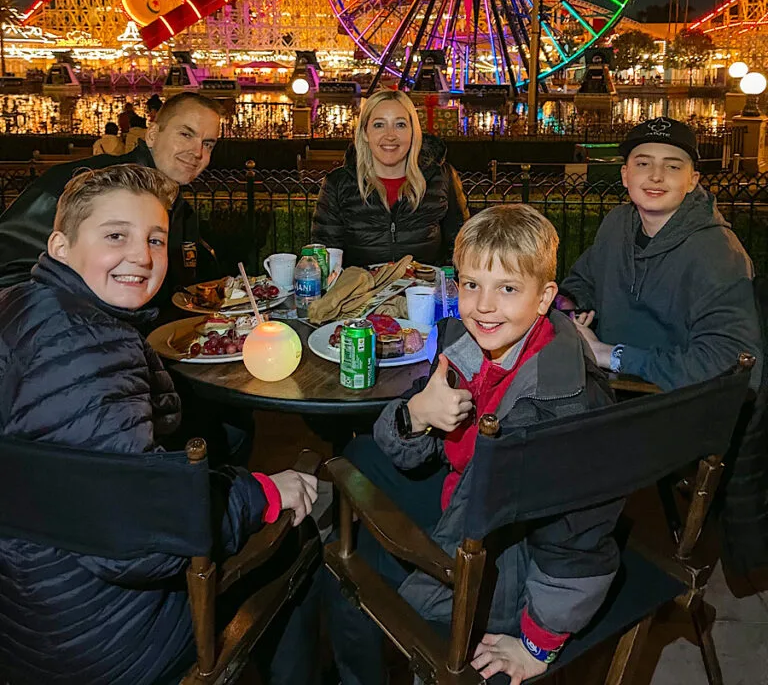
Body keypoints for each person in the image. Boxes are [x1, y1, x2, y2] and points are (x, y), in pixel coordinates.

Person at [0, 165, 318, 685]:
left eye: (156, 239)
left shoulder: (22, 308)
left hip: (24, 612)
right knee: (297, 540)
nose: (142, 256)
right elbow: (143, 543)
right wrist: (259, 493)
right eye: (115, 236)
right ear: (59, 245)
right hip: (101, 642)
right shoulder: (91, 349)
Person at [326, 205, 621, 684]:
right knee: (357, 461)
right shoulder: (470, 340)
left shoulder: (560, 402)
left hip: (504, 559)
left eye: (507, 288)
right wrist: (419, 414)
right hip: (467, 498)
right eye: (470, 285)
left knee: (349, 573)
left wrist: (536, 645)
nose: (484, 305)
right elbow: (397, 437)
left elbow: (579, 534)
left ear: (545, 297)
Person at [559, 117, 762, 391]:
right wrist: (569, 309)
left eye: (672, 166)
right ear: (625, 175)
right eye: (643, 164)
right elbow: (584, 280)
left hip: (673, 408)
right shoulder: (618, 224)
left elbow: (732, 362)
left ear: (692, 180)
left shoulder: (717, 253)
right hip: (606, 392)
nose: (656, 175)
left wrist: (611, 355)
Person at [0, 91, 222, 300]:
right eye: (185, 134)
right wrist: (77, 320)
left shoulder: (176, 206)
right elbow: (9, 270)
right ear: (153, 135)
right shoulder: (86, 184)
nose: (197, 152)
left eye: (208, 144)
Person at [311, 89, 469, 267]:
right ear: (364, 133)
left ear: (413, 132)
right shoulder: (337, 184)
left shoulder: (441, 177)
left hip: (424, 293)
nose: (390, 135)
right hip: (362, 293)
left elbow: (462, 249)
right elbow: (324, 258)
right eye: (379, 125)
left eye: (400, 125)